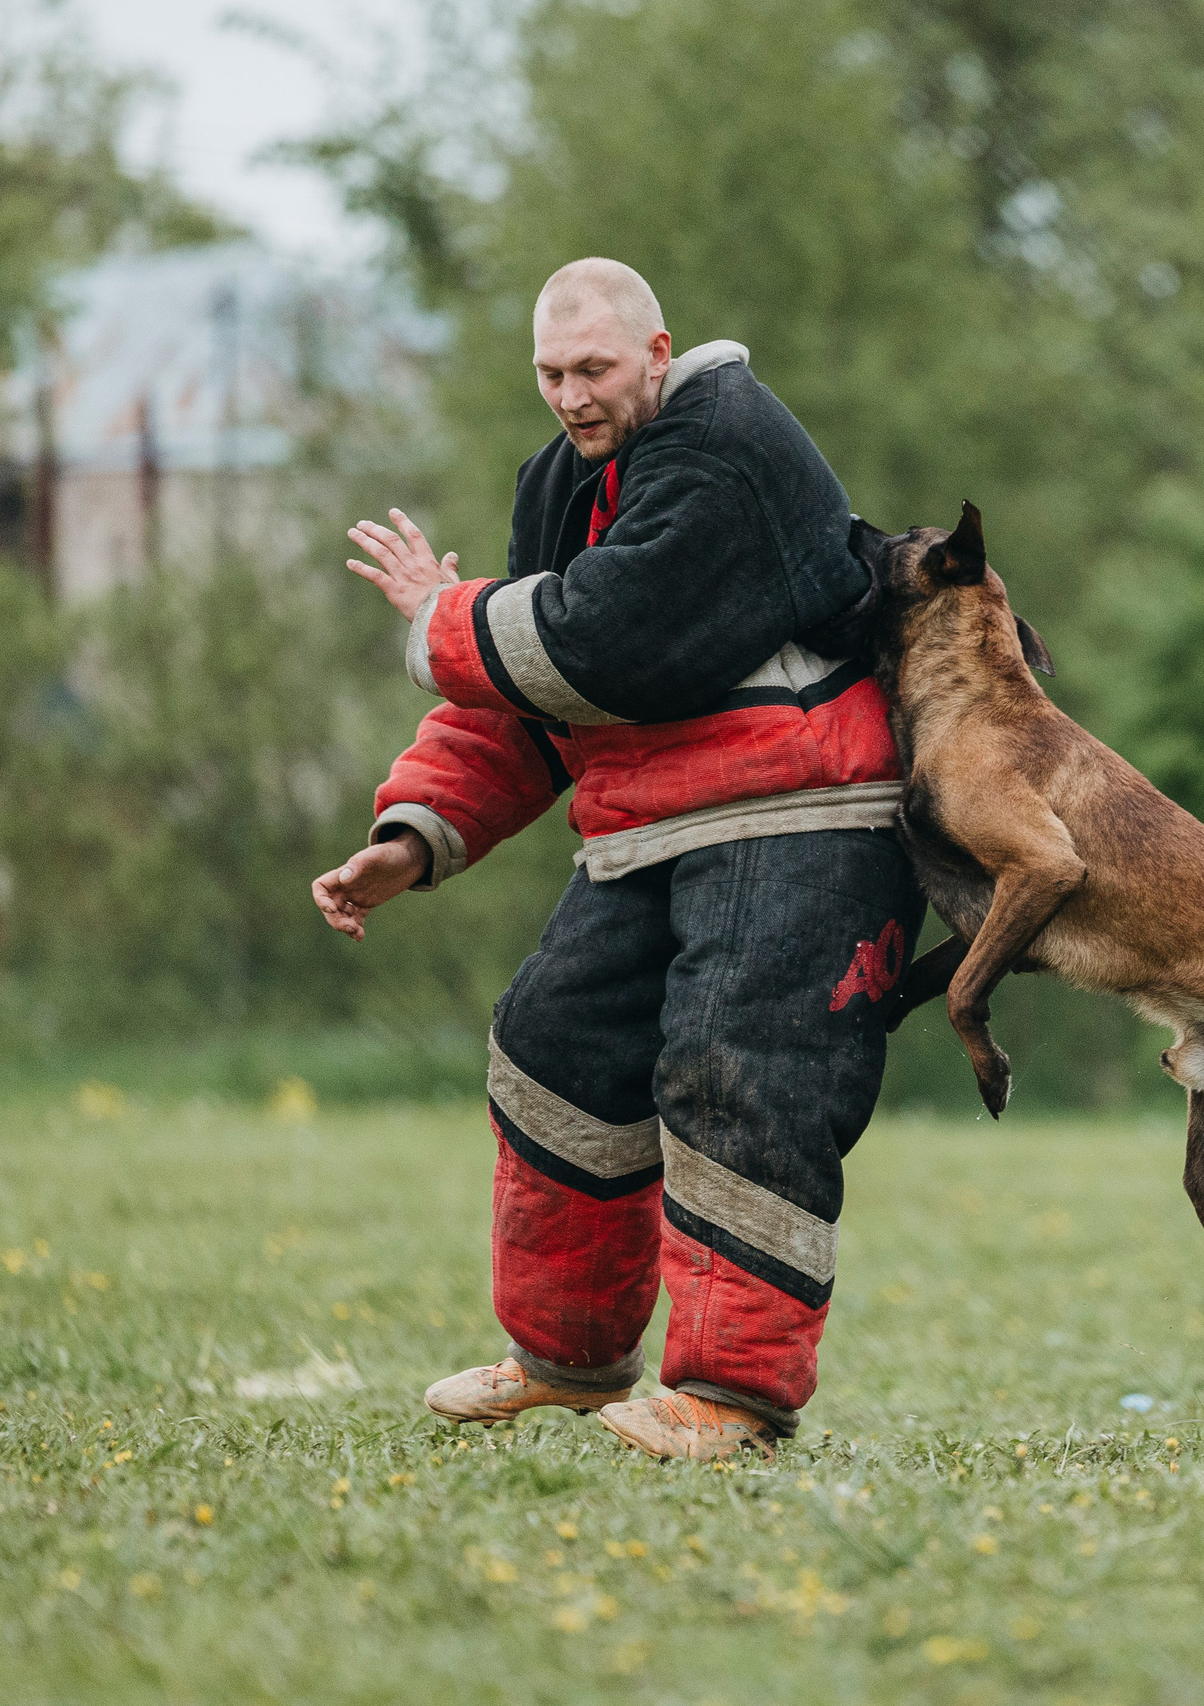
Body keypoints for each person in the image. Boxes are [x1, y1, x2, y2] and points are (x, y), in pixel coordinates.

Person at [311, 258, 922, 1461]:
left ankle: (734, 1398)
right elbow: (535, 702)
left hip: (802, 814)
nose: (570, 395)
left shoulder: (727, 444)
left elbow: (608, 641)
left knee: (737, 1076)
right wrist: (412, 833)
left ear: (656, 352)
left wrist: (445, 614)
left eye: (592, 368)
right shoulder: (563, 478)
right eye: (549, 372)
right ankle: (570, 1361)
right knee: (554, 1047)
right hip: (650, 825)